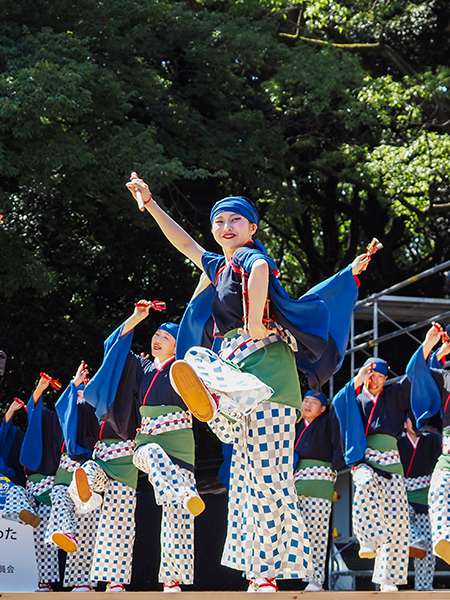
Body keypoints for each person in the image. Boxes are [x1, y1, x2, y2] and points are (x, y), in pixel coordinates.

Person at [126, 177, 368, 592]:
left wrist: (255, 320)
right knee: (242, 483)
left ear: (252, 228)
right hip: (236, 368)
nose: (226, 226)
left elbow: (257, 269)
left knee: (269, 478)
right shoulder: (218, 265)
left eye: (235, 219)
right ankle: (259, 572)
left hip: (269, 376)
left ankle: (270, 570)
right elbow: (184, 243)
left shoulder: (250, 258)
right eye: (219, 221)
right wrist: (149, 204)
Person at [75, 303, 203, 592]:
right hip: (146, 440)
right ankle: (113, 575)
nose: (157, 339)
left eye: (165, 337)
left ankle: (173, 579)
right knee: (150, 457)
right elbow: (114, 349)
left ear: (178, 345)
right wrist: (137, 317)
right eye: (156, 334)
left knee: (178, 515)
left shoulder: (185, 368)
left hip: (180, 443)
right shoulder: (142, 367)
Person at [332, 357, 413, 592]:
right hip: (365, 460)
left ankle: (387, 578)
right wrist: (356, 381)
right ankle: (368, 540)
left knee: (397, 521)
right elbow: (338, 402)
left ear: (385, 378)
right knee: (365, 484)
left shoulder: (393, 395)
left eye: (378, 376)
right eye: (370, 375)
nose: (374, 380)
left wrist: (430, 350)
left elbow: (413, 378)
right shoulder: (355, 399)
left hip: (392, 463)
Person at [2, 374, 63, 592]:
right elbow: (34, 411)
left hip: (50, 488)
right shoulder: (28, 434)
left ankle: (43, 581)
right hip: (30, 485)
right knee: (16, 494)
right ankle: (24, 513)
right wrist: (11, 412)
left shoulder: (59, 424)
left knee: (43, 535)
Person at [46, 361, 102, 592]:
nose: (81, 391)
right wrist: (74, 383)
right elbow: (62, 408)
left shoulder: (98, 405)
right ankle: (65, 531)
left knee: (88, 523)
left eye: (85, 387)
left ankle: (85, 580)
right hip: (67, 467)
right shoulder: (70, 407)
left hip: (88, 467)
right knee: (58, 495)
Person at [406, 322, 450, 566]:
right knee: (438, 490)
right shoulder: (446, 377)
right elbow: (417, 374)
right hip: (448, 450)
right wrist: (432, 347)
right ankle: (445, 539)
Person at [292, 390, 344, 592]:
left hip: (320, 481)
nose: (307, 405)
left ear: (323, 409)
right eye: (305, 400)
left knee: (318, 534)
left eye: (314, 402)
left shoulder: (327, 423)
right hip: (294, 481)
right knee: (288, 531)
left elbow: (338, 411)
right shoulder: (293, 425)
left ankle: (315, 580)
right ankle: (270, 577)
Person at [398, 415, 441, 591]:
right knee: (399, 521)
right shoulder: (398, 443)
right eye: (411, 420)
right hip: (402, 496)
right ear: (404, 423)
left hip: (425, 496)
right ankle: (416, 540)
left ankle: (424, 586)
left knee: (428, 546)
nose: (415, 424)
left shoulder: (432, 441)